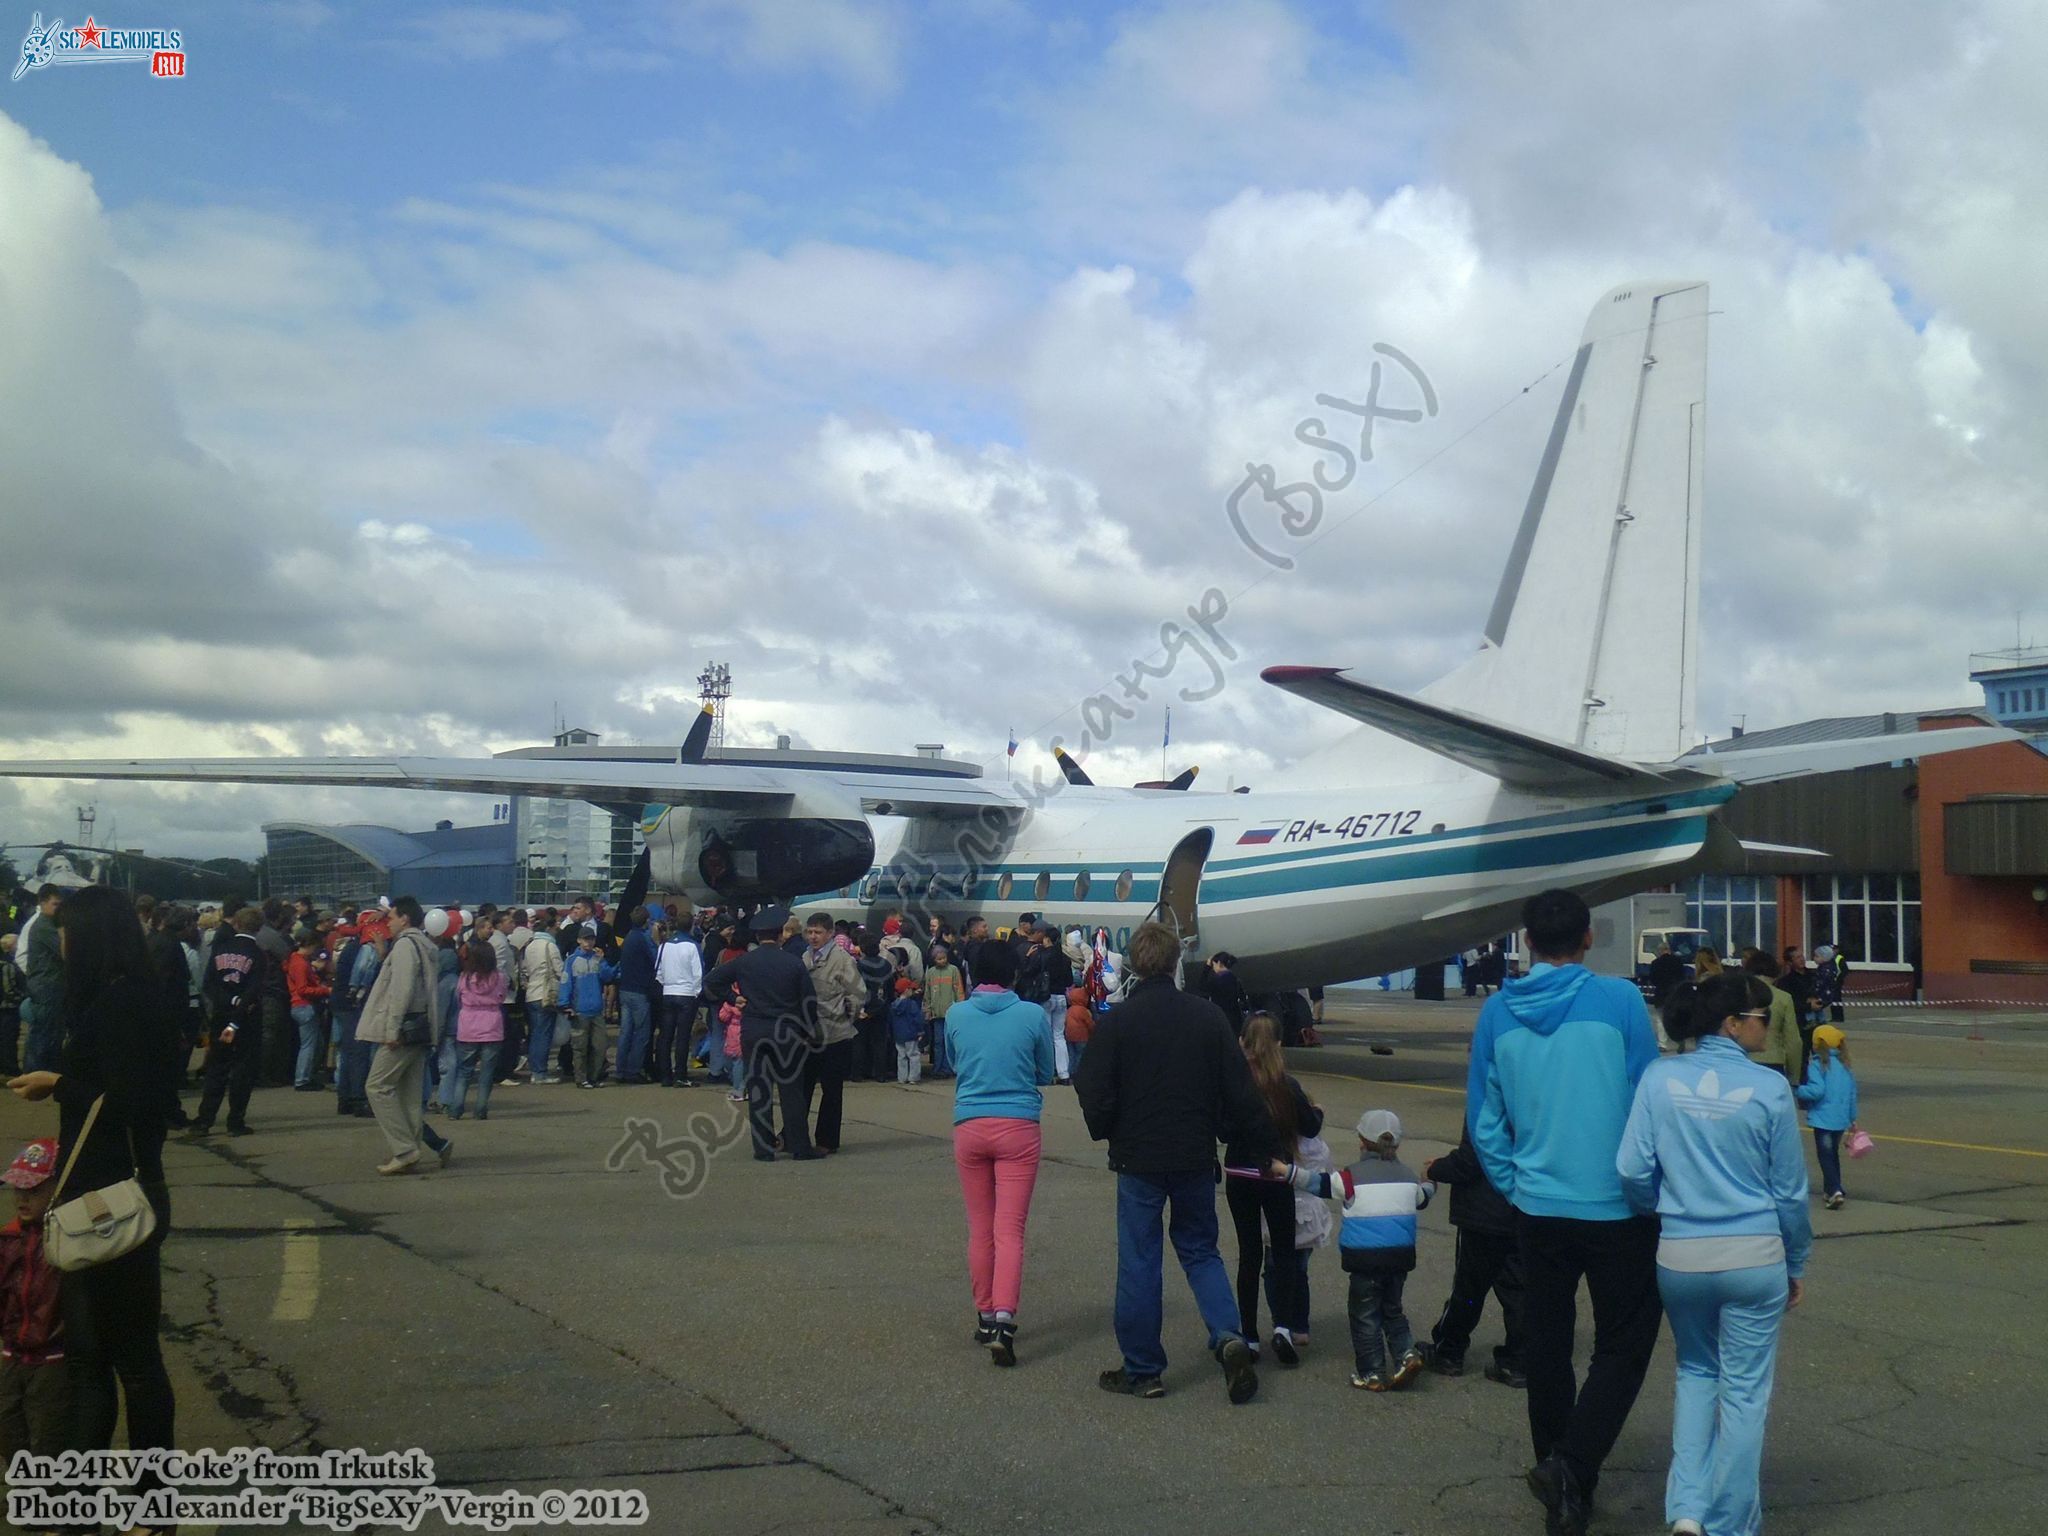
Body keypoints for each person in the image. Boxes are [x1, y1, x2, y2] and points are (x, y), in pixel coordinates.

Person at [1467, 888, 1662, 1536]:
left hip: (1539, 1206)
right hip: (1618, 1206)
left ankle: (1561, 1477)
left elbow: (1484, 1119)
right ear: (1587, 939)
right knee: (1625, 1343)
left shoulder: (1497, 1012)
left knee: (1548, 1346)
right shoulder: (1622, 1002)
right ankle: (1574, 1469)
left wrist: (1514, 1181)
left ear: (1525, 941)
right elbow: (1647, 1105)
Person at [1620, 975, 1812, 1536]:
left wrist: (1660, 1207)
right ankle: (1730, 1522)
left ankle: (1686, 1510)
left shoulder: (1659, 1077)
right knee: (1746, 1393)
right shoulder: (1770, 1088)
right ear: (1732, 1023)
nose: (1767, 1025)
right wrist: (1796, 1260)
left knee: (1696, 1374)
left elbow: (1631, 1168)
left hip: (1681, 1254)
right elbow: (1790, 1193)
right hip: (1754, 1254)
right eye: (1761, 1015)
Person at [7, 885, 178, 1492]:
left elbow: (143, 1104)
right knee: (88, 1362)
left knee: (130, 1363)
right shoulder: (124, 998)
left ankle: (152, 1506)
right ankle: (77, 1503)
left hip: (116, 1201)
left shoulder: (123, 1004)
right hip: (92, 1201)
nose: (62, 941)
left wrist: (60, 1083)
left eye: (67, 932)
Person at [1074, 921, 1272, 1405]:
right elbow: (1240, 1091)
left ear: (1136, 965)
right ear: (1174, 963)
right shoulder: (1207, 1018)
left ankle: (1143, 1369)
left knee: (1140, 1259)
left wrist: (1106, 1127)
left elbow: (1091, 1086)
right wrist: (1261, 1143)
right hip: (1193, 1153)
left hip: (1138, 1157)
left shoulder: (1118, 1022)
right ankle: (1229, 1336)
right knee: (1201, 1250)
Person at [945, 939, 1055, 1367]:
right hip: (1018, 1126)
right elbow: (1045, 1070)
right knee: (1010, 1229)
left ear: (972, 972)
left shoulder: (957, 1013)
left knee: (980, 1227)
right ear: (1014, 974)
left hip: (970, 1123)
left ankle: (985, 1311)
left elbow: (955, 1061)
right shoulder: (1031, 1015)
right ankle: (1005, 1321)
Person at [1275, 1109, 1434, 1391]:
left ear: (1362, 1141)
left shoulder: (1350, 1177)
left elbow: (1317, 1183)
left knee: (1365, 1316)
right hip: (1400, 1259)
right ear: (1397, 1144)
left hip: (1365, 1260)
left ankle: (1371, 1372)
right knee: (1392, 1310)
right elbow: (1422, 1198)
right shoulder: (1408, 1177)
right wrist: (1429, 1181)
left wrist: (1285, 1172)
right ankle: (1406, 1353)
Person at [1227, 1013, 1319, 1365]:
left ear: (1241, 1043)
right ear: (1279, 1044)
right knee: (1283, 1253)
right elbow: (1309, 1127)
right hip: (1277, 1173)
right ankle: (1282, 1327)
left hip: (1240, 1172)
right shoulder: (1286, 1084)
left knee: (1249, 1254)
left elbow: (1223, 1129)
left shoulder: (1234, 1084)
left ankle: (1249, 1335)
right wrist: (1317, 1112)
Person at [703, 910, 822, 1162]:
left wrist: (734, 998)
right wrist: (809, 1030)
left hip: (754, 1031)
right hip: (786, 1033)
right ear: (780, 935)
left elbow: (712, 981)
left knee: (759, 1090)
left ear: (758, 936)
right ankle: (800, 1146)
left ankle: (764, 1148)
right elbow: (808, 1001)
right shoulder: (793, 963)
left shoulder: (745, 962)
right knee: (792, 1092)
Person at [1424, 1122, 1528, 1388]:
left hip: (1482, 1214)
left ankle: (1449, 1350)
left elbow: (1471, 1160)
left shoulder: (1487, 1103)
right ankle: (1518, 1358)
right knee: (1517, 1288)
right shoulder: (1532, 1100)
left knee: (1469, 1289)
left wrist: (1435, 1169)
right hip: (1519, 1208)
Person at [356, 897, 448, 1176]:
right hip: (420, 1027)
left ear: (405, 918)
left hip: (404, 1028)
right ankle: (411, 1148)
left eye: (392, 917)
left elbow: (402, 990)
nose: (389, 922)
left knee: (377, 1086)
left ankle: (405, 1149)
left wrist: (392, 1028)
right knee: (409, 1094)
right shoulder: (423, 945)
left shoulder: (406, 946)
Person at [0, 1138, 68, 1463]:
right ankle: (24, 1489)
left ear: (57, 1188)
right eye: (18, 1189)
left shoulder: (66, 1240)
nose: (22, 1198)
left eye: (34, 1190)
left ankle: (46, 1502)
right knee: (8, 1427)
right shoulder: (9, 1238)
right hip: (12, 1350)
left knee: (47, 1434)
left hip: (53, 1354)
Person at [194, 906, 267, 1137]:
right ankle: (235, 1121)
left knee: (217, 1068)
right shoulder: (257, 954)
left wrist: (227, 1000)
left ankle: (204, 1119)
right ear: (259, 927)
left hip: (221, 1014)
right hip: (246, 1018)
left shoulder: (220, 950)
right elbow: (254, 990)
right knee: (243, 1070)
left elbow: (208, 984)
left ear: (235, 923)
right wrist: (238, 1009)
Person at [800, 913, 864, 1152]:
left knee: (831, 1089)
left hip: (835, 1034)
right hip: (807, 1033)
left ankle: (826, 1140)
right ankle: (794, 1133)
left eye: (817, 932)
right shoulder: (804, 957)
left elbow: (857, 993)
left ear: (829, 934)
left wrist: (846, 1015)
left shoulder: (842, 959)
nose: (813, 936)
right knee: (802, 1087)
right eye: (810, 932)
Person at [1796, 1025, 1859, 1210]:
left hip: (1823, 1119)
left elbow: (1817, 1091)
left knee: (1825, 1155)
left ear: (1817, 1044)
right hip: (1840, 1120)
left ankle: (1834, 1190)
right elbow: (1852, 1094)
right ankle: (1832, 1186)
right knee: (1833, 1154)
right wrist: (1852, 1117)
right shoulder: (1845, 1067)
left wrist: (1799, 1090)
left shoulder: (1817, 1065)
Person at [443, 942, 507, 1120]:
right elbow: (502, 998)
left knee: (464, 1072)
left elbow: (459, 998)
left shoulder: (464, 977)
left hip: (468, 1027)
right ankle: (480, 1110)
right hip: (492, 1027)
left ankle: (456, 1110)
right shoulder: (499, 977)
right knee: (486, 1073)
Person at [558, 931, 616, 1089]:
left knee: (600, 1046)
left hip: (596, 1010)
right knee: (580, 1047)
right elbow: (565, 983)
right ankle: (581, 1078)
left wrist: (603, 961)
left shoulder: (597, 959)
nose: (589, 942)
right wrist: (565, 1005)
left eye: (591, 939)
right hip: (579, 1010)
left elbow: (608, 976)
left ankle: (593, 1077)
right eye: (586, 939)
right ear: (579, 940)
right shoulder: (571, 961)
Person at [1738, 949, 1802, 1087]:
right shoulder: (1784, 998)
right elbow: (1793, 1041)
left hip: (1742, 1060)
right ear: (1775, 973)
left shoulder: (1738, 994)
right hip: (1773, 1062)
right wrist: (1794, 1076)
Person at [18, 886, 64, 1074]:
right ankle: (33, 1071)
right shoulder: (45, 925)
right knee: (42, 1031)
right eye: (55, 904)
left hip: (48, 984)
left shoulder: (48, 923)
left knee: (49, 1030)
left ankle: (41, 1070)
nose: (58, 908)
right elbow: (64, 950)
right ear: (42, 903)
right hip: (46, 985)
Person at [653, 921, 702, 1088]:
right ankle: (680, 1074)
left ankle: (665, 1075)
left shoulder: (664, 946)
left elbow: (658, 972)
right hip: (686, 993)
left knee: (665, 1036)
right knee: (683, 1036)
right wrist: (696, 992)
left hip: (668, 992)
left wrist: (667, 984)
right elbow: (698, 973)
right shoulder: (692, 946)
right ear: (690, 927)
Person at [286, 927, 332, 1092]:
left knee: (314, 1043)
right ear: (310, 944)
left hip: (300, 1006)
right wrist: (325, 990)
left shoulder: (296, 960)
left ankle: (305, 1076)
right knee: (310, 1045)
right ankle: (302, 1079)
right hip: (304, 1005)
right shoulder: (300, 963)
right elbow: (302, 989)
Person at [518, 921, 564, 1084]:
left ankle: (535, 1069)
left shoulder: (528, 946)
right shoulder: (550, 946)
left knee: (535, 1033)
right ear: (548, 929)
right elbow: (559, 970)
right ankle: (540, 1072)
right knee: (544, 1035)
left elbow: (524, 970)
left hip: (531, 993)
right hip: (546, 994)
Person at [922, 942, 966, 1079]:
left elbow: (958, 989)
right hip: (936, 1013)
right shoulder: (930, 973)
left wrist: (960, 1006)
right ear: (934, 959)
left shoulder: (953, 970)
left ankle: (948, 1067)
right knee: (937, 1042)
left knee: (949, 1041)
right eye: (938, 959)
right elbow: (927, 992)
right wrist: (927, 1009)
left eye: (944, 958)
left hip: (951, 1012)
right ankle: (937, 1067)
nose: (942, 961)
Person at [889, 977, 926, 1084]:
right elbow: (917, 1019)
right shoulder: (912, 1004)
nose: (912, 991)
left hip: (898, 1035)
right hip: (911, 1034)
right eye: (911, 989)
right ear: (906, 990)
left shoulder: (893, 1005)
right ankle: (913, 1078)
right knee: (913, 1055)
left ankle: (902, 1077)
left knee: (901, 1056)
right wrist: (920, 1031)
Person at [1205, 954, 1248, 1035]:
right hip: (1235, 1017)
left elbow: (1202, 987)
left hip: (1222, 1017)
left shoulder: (1218, 979)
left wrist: (1207, 967)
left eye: (1213, 965)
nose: (1213, 969)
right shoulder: (1234, 979)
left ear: (1219, 963)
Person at [1062, 985, 1093, 1079]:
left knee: (1071, 1055)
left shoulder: (1069, 1010)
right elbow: (1089, 1023)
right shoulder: (1083, 1011)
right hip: (1082, 1036)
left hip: (1069, 1036)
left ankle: (1071, 1071)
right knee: (1080, 1055)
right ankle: (1079, 1073)